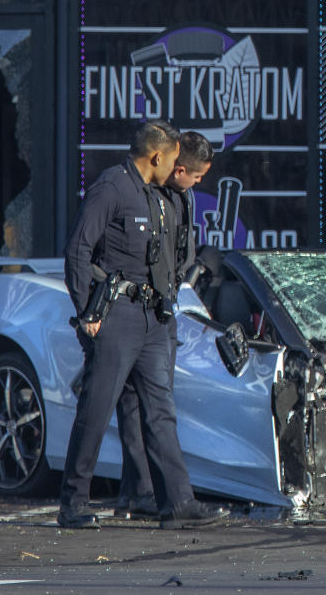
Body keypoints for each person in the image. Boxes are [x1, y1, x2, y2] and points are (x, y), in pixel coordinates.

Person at [57, 120, 225, 529]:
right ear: (157, 156)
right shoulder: (113, 187)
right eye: (172, 160)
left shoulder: (159, 193)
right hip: (118, 315)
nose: (176, 169)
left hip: (154, 317)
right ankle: (73, 503)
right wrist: (86, 313)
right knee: (96, 410)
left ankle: (176, 501)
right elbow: (78, 249)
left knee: (159, 412)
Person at [115, 131, 215, 520]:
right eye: (196, 176)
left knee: (149, 405)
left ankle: (137, 493)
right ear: (178, 166)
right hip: (137, 310)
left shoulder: (181, 196)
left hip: (163, 308)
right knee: (140, 405)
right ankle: (152, 495)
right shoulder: (142, 192)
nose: (198, 184)